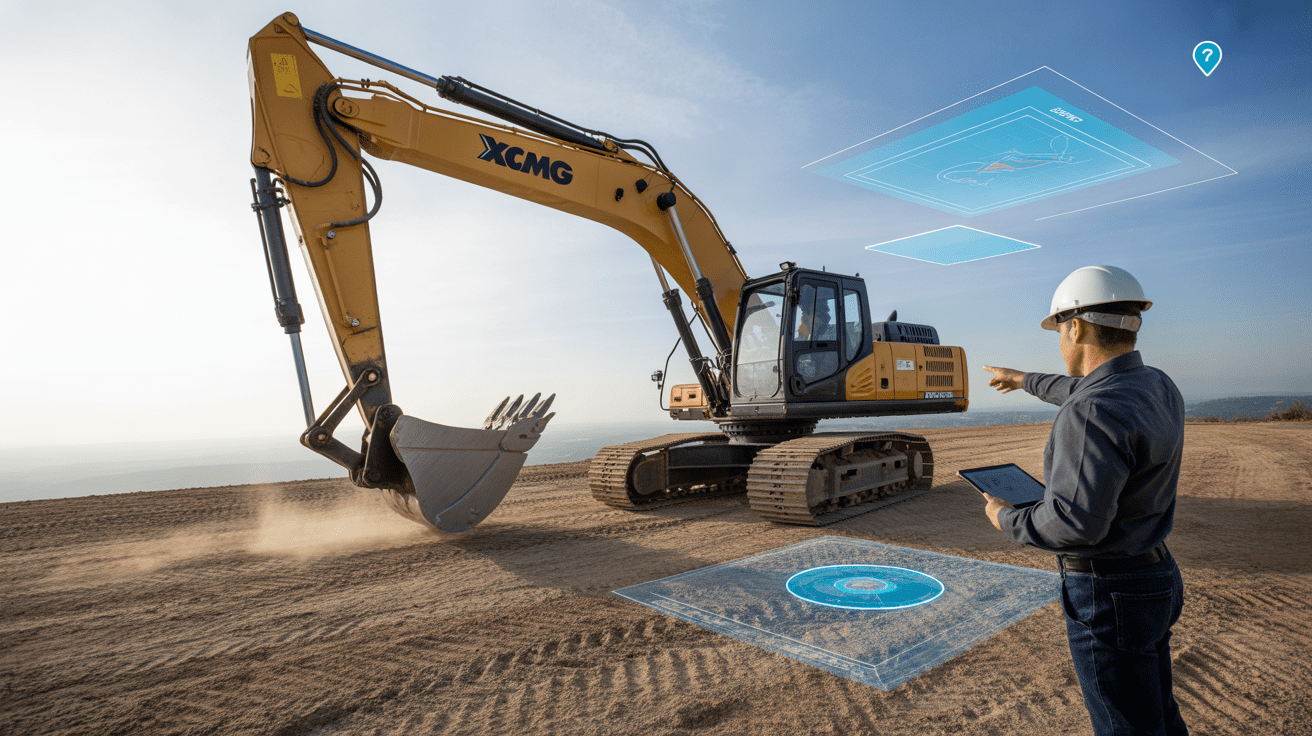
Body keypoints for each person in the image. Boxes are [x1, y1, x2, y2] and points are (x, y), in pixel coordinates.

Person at [981, 265, 1188, 736]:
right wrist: (1023, 379)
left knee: (1124, 728)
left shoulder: (1091, 411)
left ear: (1074, 326)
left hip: (1108, 590)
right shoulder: (1156, 384)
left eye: (1059, 329)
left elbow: (1075, 525)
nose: (1059, 339)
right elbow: (1079, 388)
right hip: (1155, 577)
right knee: (1157, 718)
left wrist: (1007, 519)